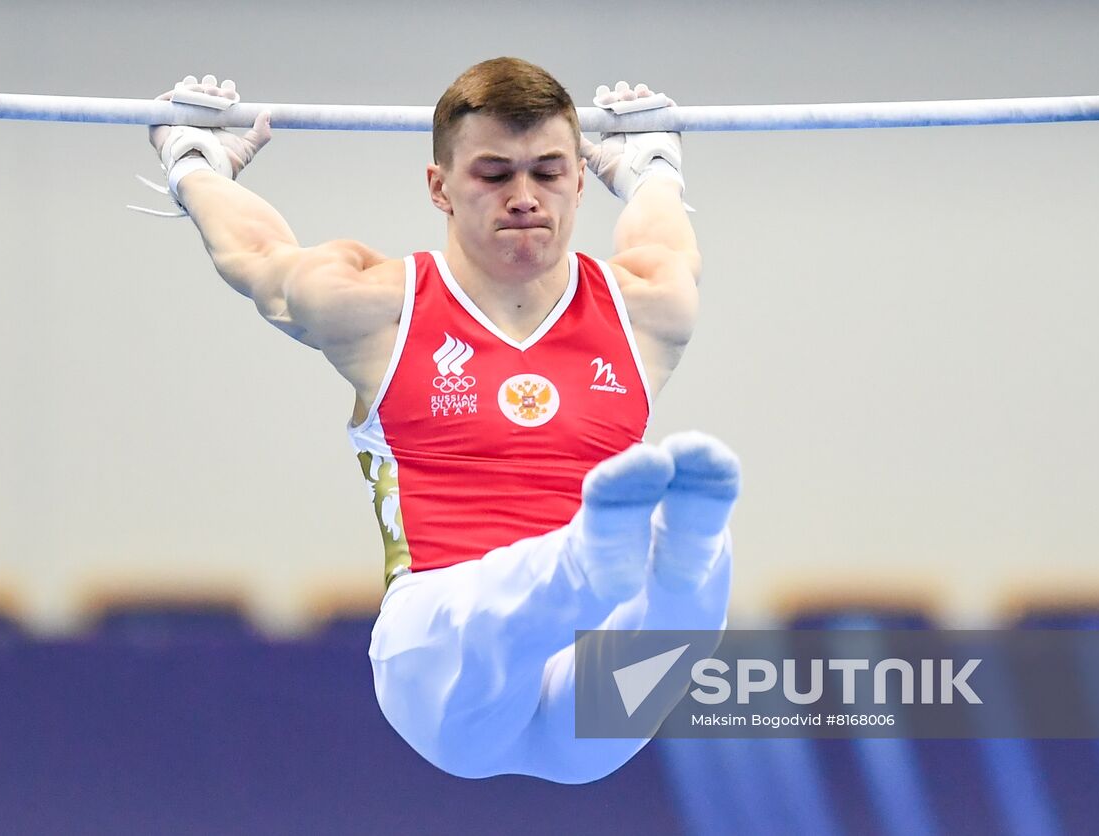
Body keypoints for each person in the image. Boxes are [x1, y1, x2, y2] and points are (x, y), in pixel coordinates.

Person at [144, 58, 740, 784]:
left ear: (581, 179)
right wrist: (195, 161)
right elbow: (260, 258)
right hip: (439, 659)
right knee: (484, 619)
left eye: (548, 172)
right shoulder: (378, 307)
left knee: (678, 601)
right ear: (440, 187)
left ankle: (686, 553)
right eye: (494, 174)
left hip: (594, 674)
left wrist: (652, 164)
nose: (524, 197)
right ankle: (592, 559)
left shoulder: (644, 306)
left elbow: (668, 241)